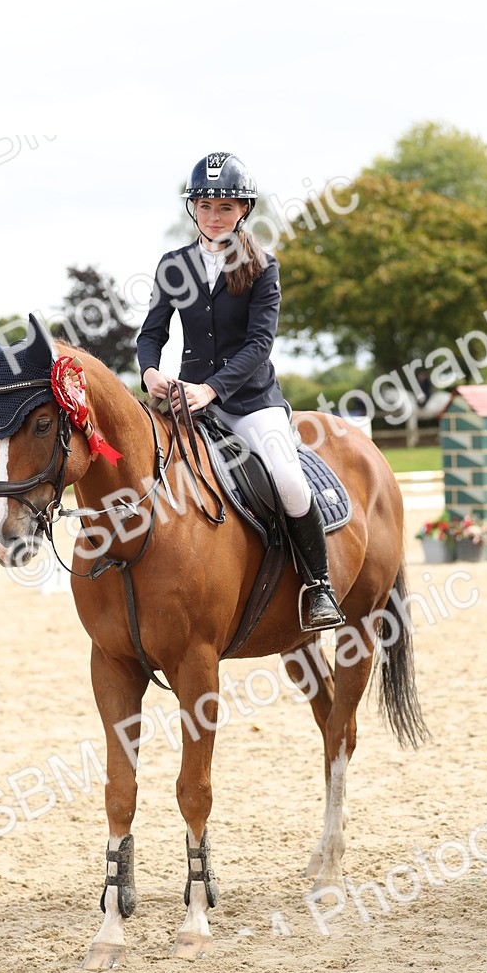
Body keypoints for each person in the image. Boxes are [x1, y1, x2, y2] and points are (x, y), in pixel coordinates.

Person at [137, 151, 343, 631]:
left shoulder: (262, 266)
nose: (214, 216)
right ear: (194, 209)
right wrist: (150, 373)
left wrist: (211, 390)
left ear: (243, 210)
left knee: (289, 480)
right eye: (205, 206)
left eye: (225, 207)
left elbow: (259, 345)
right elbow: (151, 335)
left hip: (251, 401)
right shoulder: (174, 265)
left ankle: (319, 586)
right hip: (184, 399)